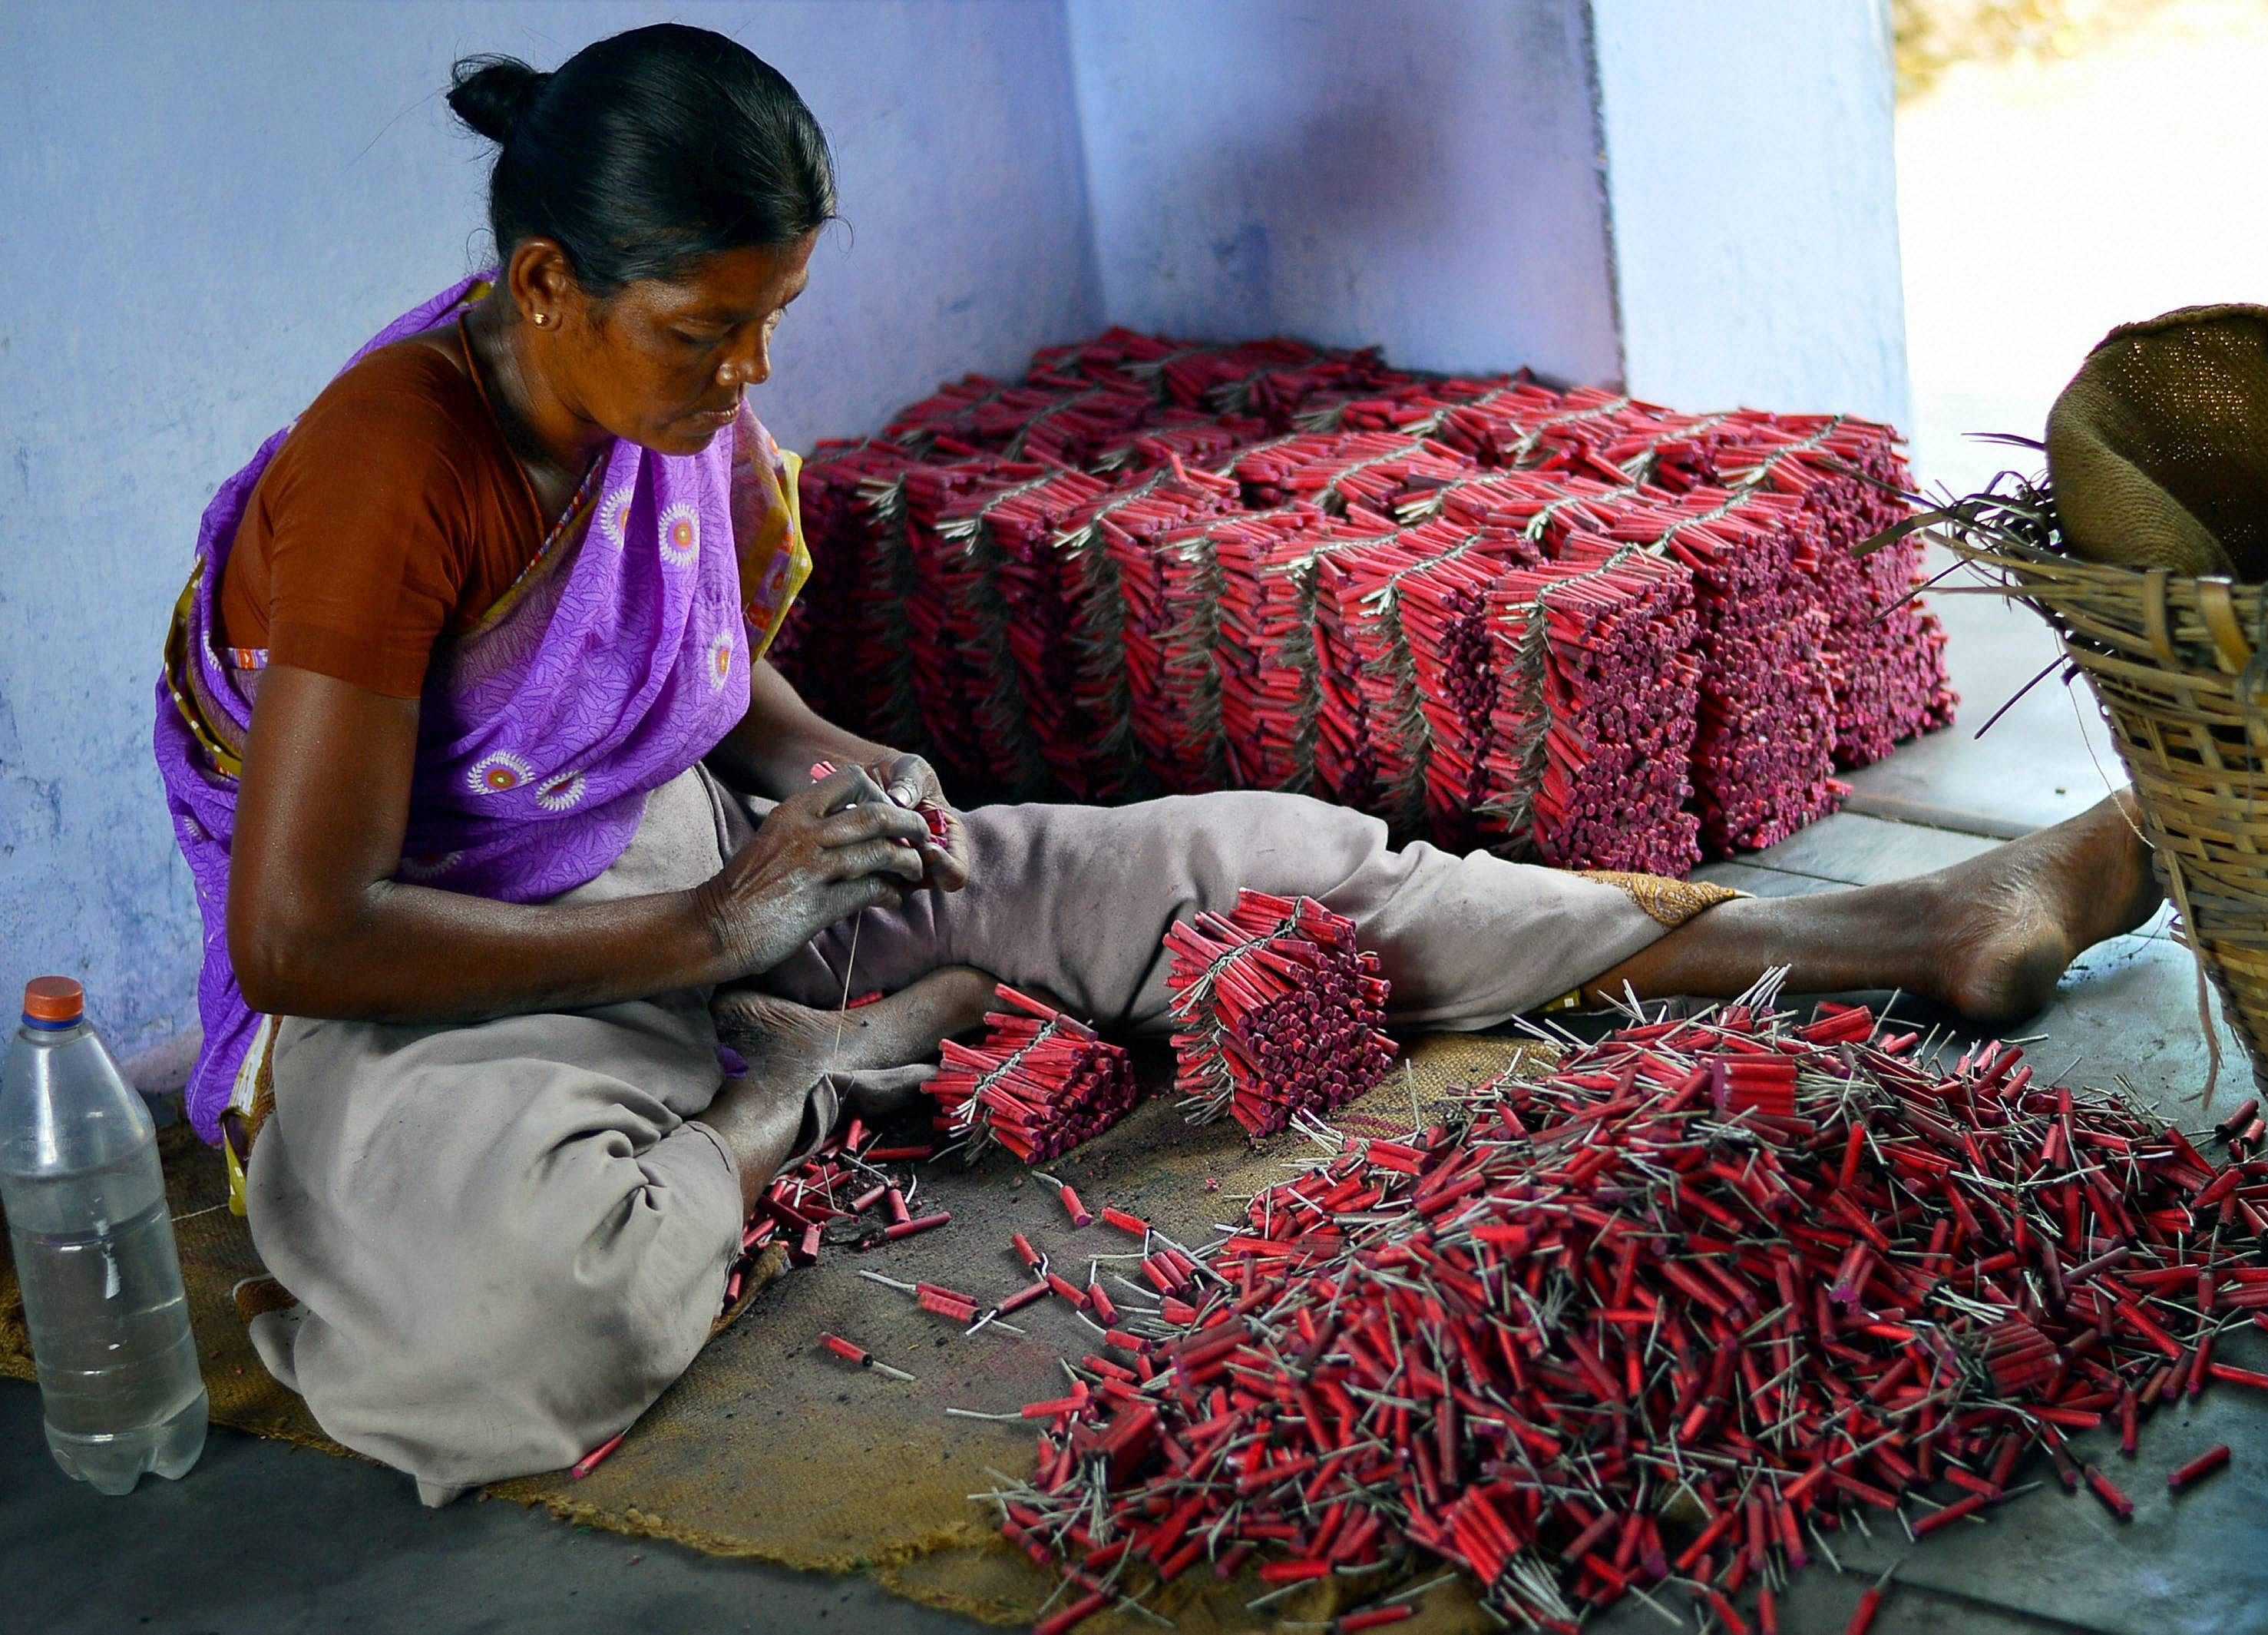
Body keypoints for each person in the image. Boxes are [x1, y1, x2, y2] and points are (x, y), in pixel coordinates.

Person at [154, 25, 2162, 1504]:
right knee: (525, 1312)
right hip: (458, 1002)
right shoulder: (391, 470)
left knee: (1270, 860)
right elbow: (309, 930)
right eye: (708, 333)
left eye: (773, 323)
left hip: (710, 879)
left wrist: (841, 765)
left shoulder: (654, 402)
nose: (749, 381)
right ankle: (813, 1081)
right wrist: (713, 929)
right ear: (540, 292)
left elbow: (693, 677)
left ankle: (1926, 916)